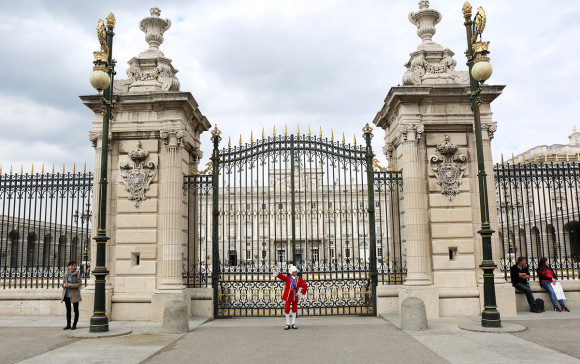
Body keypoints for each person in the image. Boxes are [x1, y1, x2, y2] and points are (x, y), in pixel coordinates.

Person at [273, 265, 308, 330]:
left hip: (295, 296)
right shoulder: (288, 278)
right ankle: (288, 324)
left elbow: (305, 286)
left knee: (294, 310)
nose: (295, 273)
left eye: (296, 272)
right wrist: (276, 270)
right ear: (291, 272)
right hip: (288, 296)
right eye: (294, 272)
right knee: (287, 309)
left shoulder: (299, 279)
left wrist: (300, 293)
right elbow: (280, 276)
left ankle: (293, 323)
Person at [61, 261, 82, 330]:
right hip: (67, 294)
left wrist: (71, 285)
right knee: (68, 310)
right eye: (72, 266)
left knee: (76, 310)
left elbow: (79, 284)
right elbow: (63, 282)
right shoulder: (66, 274)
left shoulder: (77, 274)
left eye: (74, 266)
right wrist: (63, 285)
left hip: (75, 294)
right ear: (68, 266)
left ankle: (74, 324)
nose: (73, 267)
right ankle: (68, 324)